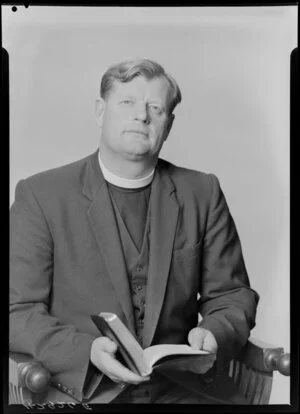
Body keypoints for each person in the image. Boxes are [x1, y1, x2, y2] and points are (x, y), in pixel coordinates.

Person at [10, 58, 259, 404]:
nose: (141, 116)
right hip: (83, 391)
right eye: (127, 103)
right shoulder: (41, 195)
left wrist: (214, 333)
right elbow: (16, 310)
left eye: (155, 108)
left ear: (168, 124)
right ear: (100, 111)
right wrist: (88, 352)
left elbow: (232, 295)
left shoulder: (202, 192)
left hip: (181, 388)